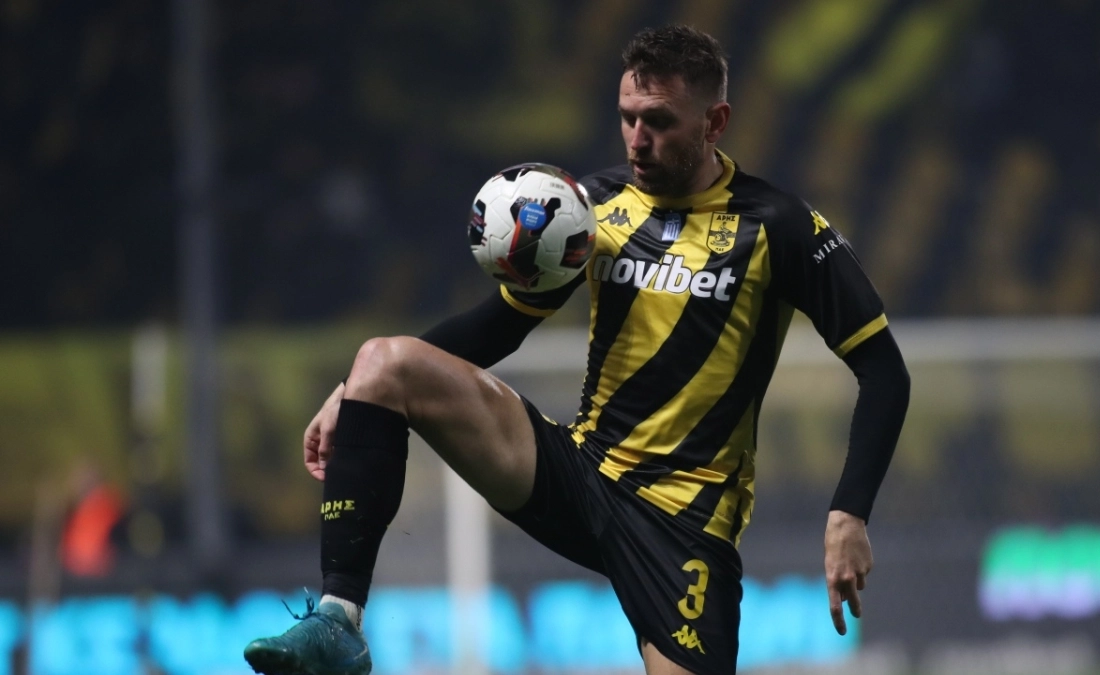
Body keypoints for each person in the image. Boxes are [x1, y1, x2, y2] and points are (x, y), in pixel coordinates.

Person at [244, 24, 910, 675]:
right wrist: (353, 392)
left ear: (715, 122)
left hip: (683, 524)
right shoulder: (590, 204)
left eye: (659, 121)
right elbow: (500, 327)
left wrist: (848, 512)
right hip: (579, 471)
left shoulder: (781, 227)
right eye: (627, 118)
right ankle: (339, 621)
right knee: (382, 362)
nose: (637, 139)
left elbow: (883, 369)